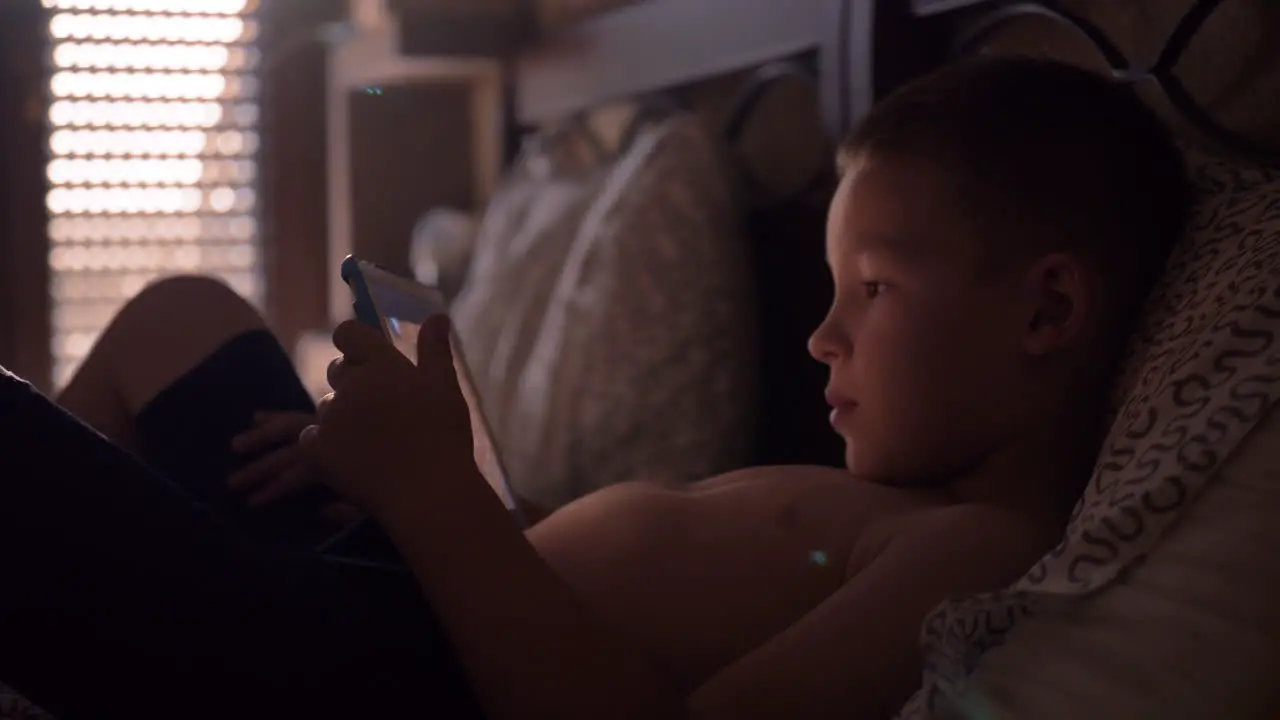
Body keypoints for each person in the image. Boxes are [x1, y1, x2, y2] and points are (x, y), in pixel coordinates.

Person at [0, 55, 1190, 720]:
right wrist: (429, 488)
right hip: (409, 576)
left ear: (1045, 310)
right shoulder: (906, 511)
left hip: (352, 677)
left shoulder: (976, 554)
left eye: (870, 290)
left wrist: (436, 500)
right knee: (186, 314)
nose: (820, 338)